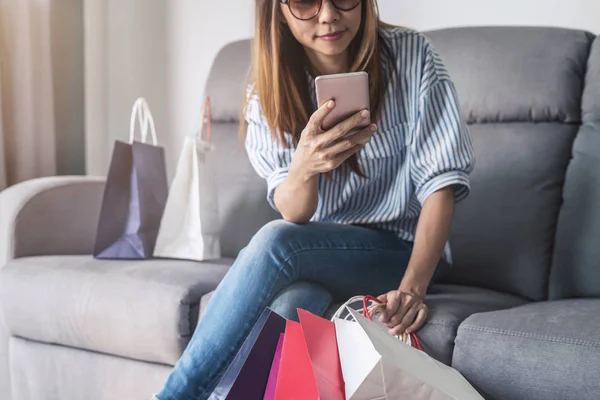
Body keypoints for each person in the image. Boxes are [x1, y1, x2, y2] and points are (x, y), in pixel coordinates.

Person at [154, 0, 474, 399]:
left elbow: (440, 185)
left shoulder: (411, 57)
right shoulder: (269, 88)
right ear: (278, 11)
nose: (327, 15)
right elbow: (296, 211)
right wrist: (304, 166)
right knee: (295, 303)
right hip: (321, 255)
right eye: (305, 2)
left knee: (277, 241)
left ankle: (175, 395)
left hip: (399, 250)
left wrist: (412, 289)